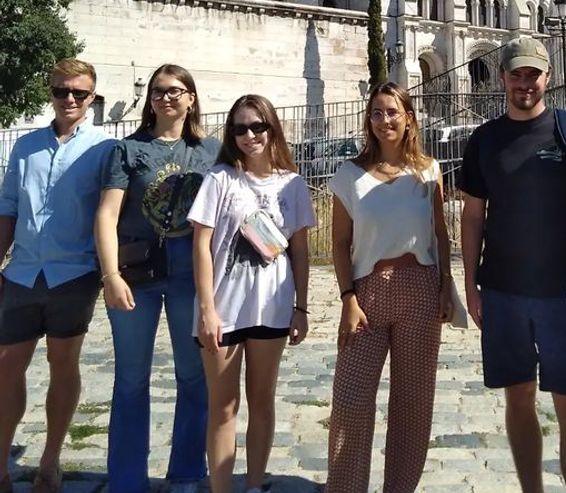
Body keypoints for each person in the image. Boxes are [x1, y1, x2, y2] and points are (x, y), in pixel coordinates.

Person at [459, 36, 566, 493]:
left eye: (532, 74)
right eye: (516, 74)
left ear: (548, 77)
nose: (524, 83)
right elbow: (473, 214)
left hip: (564, 290)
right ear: (501, 77)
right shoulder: (484, 139)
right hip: (503, 290)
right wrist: (471, 283)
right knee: (518, 401)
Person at [94, 64, 219, 493]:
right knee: (131, 377)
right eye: (159, 91)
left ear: (191, 98)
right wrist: (110, 275)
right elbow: (107, 215)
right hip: (136, 269)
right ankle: (127, 480)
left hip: (190, 271)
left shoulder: (209, 151)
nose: (167, 97)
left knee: (193, 375)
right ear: (150, 99)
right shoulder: (126, 150)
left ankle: (186, 472)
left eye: (176, 91)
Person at [325, 82, 453, 493]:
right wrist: (348, 298)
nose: (385, 121)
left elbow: (440, 232)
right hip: (367, 293)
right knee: (349, 401)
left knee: (413, 403)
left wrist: (447, 285)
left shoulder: (428, 172)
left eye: (393, 112)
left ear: (409, 117)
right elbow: (339, 244)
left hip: (420, 286)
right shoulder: (349, 176)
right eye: (377, 113)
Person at [188, 95, 315, 493]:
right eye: (240, 128)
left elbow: (299, 250)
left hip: (271, 308)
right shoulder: (220, 179)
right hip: (224, 309)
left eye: (257, 126)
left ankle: (256, 483)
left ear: (272, 128)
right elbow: (201, 246)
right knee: (223, 407)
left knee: (262, 402)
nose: (249, 135)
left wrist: (301, 307)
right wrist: (207, 309)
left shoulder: (291, 184)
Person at [0, 59, 113, 493]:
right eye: (61, 91)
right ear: (50, 92)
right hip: (23, 271)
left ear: (92, 97)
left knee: (62, 364)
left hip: (74, 272)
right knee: (8, 366)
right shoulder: (25, 147)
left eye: (79, 93)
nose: (69, 99)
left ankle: (50, 460)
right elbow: (8, 208)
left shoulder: (103, 149)